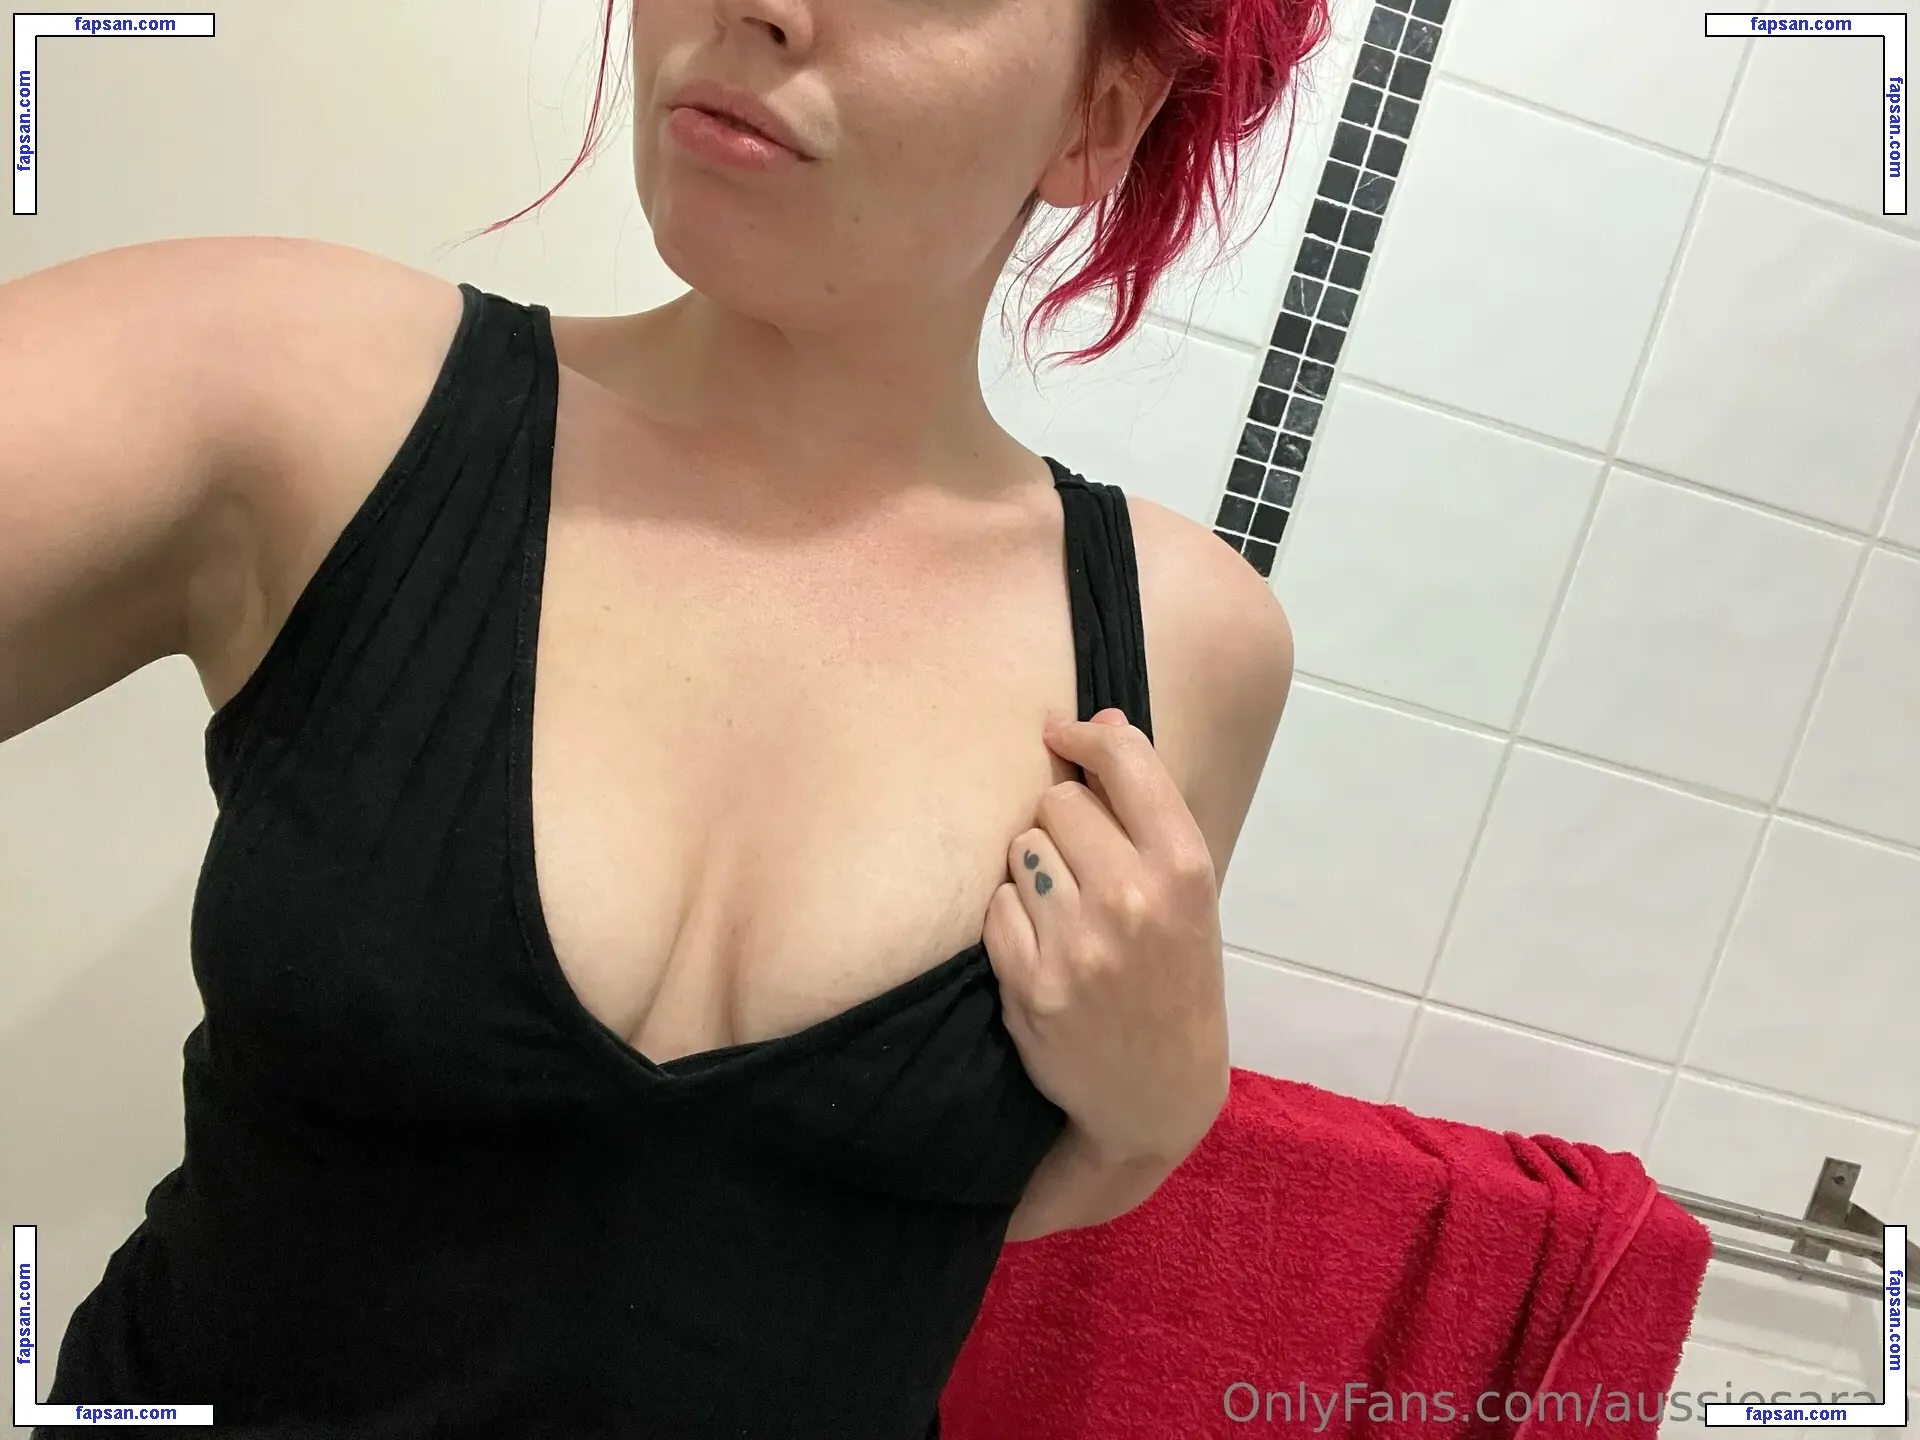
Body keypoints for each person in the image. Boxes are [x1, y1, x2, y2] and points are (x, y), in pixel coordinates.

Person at [1, 0, 1323, 1431]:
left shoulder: (1187, 647)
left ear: (1100, 119)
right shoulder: (286, 390)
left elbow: (924, 1216)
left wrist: (1161, 1111)